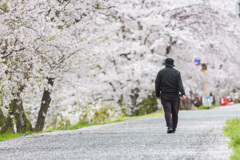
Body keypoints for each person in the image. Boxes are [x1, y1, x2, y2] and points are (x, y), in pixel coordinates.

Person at [155, 58, 186, 134]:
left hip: (165, 94)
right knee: (175, 111)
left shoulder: (161, 72)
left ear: (165, 64)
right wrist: (183, 93)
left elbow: (157, 84)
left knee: (167, 110)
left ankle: (170, 126)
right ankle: (174, 127)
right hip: (175, 94)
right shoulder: (177, 73)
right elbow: (180, 84)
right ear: (172, 65)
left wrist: (158, 94)